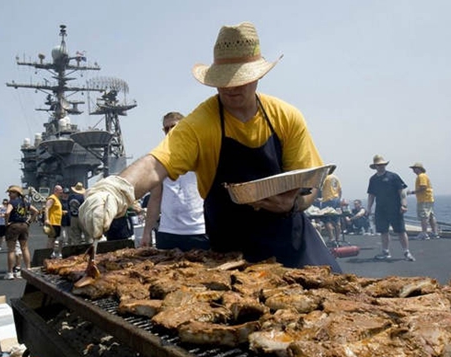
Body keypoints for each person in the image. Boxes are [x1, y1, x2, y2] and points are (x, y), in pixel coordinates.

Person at [79, 22, 341, 273]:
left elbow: (309, 186)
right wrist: (116, 190)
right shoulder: (201, 124)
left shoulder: (286, 117)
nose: (231, 87)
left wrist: (293, 204)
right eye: (225, 79)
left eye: (241, 78)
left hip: (291, 243)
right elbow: (156, 163)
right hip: (230, 254)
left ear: (258, 77)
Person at [140, 112, 209, 252]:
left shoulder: (201, 153)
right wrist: (147, 232)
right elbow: (155, 199)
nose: (171, 131)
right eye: (167, 128)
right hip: (168, 232)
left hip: (199, 230)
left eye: (174, 126)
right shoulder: (160, 160)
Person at [366, 155, 415, 262]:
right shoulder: (373, 179)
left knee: (401, 230)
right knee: (383, 231)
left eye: (382, 164)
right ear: (375, 166)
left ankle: (406, 252)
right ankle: (386, 251)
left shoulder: (393, 176)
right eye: (379, 165)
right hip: (381, 208)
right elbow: (371, 195)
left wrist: (404, 204)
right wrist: (369, 208)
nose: (381, 166)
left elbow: (401, 191)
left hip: (395, 208)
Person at [4, 185, 39, 280]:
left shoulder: (12, 202)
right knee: (25, 248)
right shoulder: (25, 202)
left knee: (11, 250)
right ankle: (28, 269)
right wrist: (29, 221)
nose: (9, 194)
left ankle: (10, 272)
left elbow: (7, 213)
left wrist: (6, 223)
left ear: (16, 193)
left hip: (14, 226)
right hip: (24, 225)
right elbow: (36, 211)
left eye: (11, 192)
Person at [407, 162, 439, 239]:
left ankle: (424, 233)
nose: (413, 170)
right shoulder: (423, 176)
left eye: (415, 168)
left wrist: (412, 192)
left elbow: (423, 187)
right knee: (431, 216)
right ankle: (435, 232)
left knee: (424, 216)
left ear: (419, 169)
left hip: (424, 199)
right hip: (428, 199)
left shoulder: (421, 176)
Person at [320, 174, 342, 244]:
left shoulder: (325, 178)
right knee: (337, 219)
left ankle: (331, 238)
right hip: (336, 199)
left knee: (327, 219)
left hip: (327, 200)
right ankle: (338, 239)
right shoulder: (336, 177)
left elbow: (319, 187)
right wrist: (339, 199)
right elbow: (340, 189)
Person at [44, 185, 63, 250]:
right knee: (51, 239)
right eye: (60, 191)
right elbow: (46, 208)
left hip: (57, 223)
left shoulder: (57, 199)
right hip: (52, 222)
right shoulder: (52, 198)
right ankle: (47, 254)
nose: (61, 192)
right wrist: (46, 219)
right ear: (55, 191)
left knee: (54, 239)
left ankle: (51, 253)